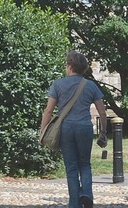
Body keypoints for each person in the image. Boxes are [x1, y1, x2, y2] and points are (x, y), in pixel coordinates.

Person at [40, 52, 108, 208]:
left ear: (70, 66)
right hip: (84, 127)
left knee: (71, 168)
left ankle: (74, 204)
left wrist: (42, 131)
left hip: (66, 128)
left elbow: (49, 111)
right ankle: (87, 194)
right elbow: (103, 112)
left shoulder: (58, 84)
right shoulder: (90, 85)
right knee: (85, 164)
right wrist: (103, 132)